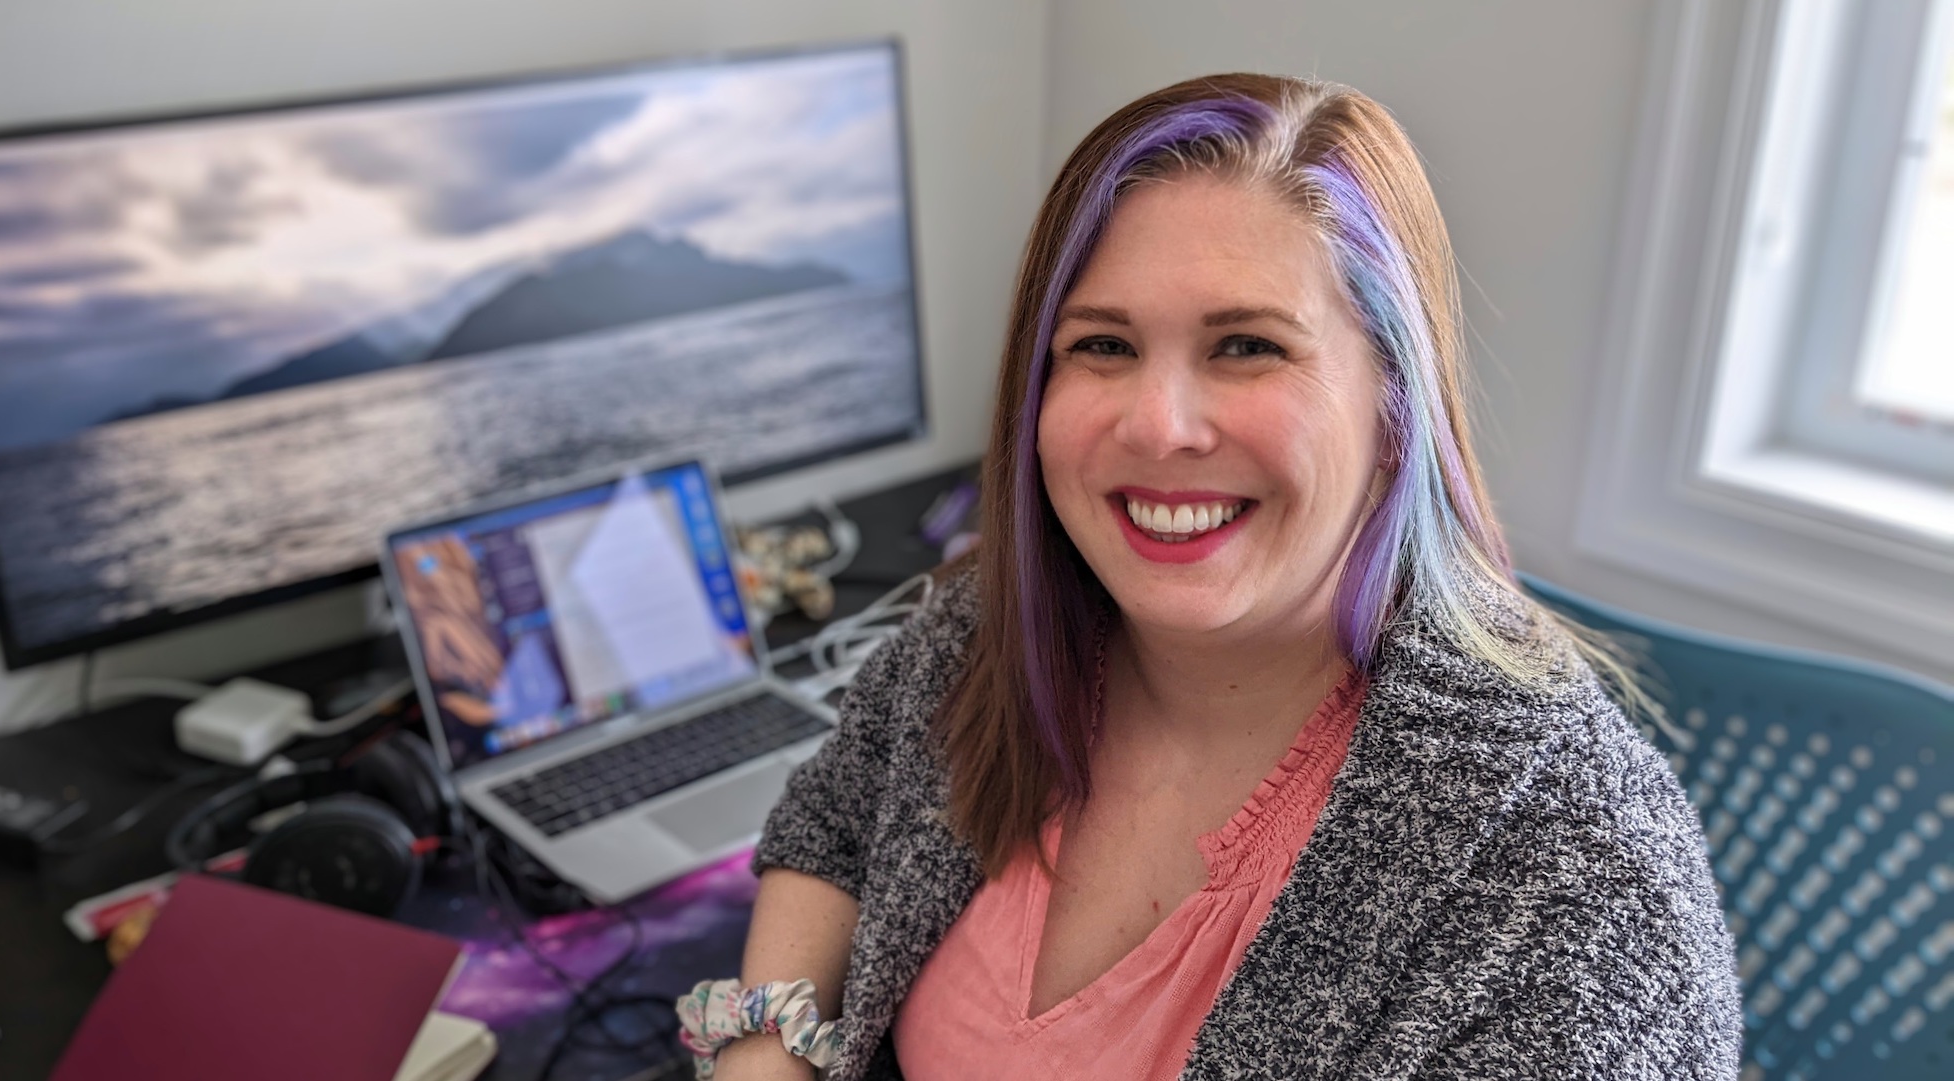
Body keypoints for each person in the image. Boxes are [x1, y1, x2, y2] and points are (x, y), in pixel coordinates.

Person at [682, 73, 1742, 1081]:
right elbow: (835, 823)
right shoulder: (982, 633)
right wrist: (765, 1048)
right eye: (1102, 346)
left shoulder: (1577, 885)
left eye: (1245, 345)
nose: (1158, 425)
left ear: (1394, 406)